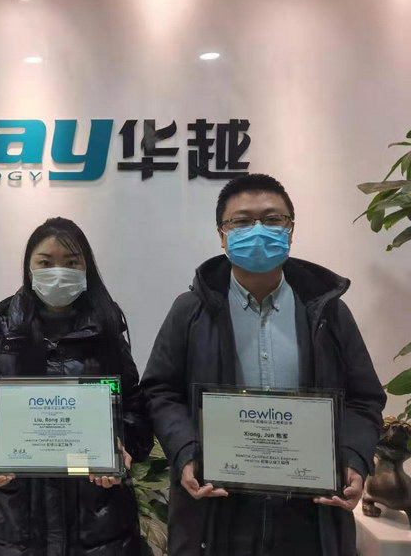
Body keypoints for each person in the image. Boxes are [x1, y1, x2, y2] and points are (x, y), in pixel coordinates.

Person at [141, 173, 386, 555]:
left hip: (309, 513)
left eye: (272, 219)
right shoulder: (190, 311)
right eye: (241, 221)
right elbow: (160, 391)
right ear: (222, 235)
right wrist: (186, 450)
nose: (257, 230)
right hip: (219, 509)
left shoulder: (328, 313)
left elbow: (364, 398)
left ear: (290, 230)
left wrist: (353, 457)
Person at [0, 217, 152, 556]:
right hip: (9, 524)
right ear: (29, 269)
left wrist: (120, 448)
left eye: (71, 263)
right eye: (45, 263)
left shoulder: (107, 332)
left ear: (87, 268)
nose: (58, 273)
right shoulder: (2, 334)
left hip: (96, 526)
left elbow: (135, 409)